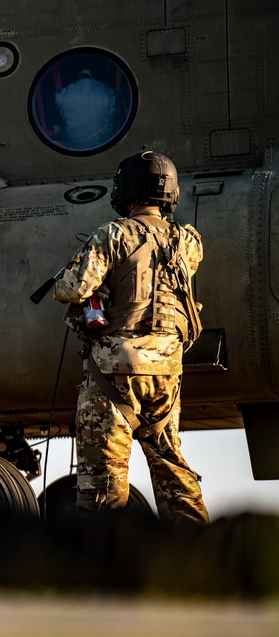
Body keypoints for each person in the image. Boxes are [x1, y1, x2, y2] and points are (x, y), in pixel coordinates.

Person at [53, 151, 208, 523]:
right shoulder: (188, 241)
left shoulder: (114, 233)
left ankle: (106, 568)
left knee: (103, 483)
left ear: (129, 190)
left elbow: (72, 288)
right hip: (167, 371)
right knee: (172, 470)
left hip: (114, 373)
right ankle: (201, 558)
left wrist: (89, 286)